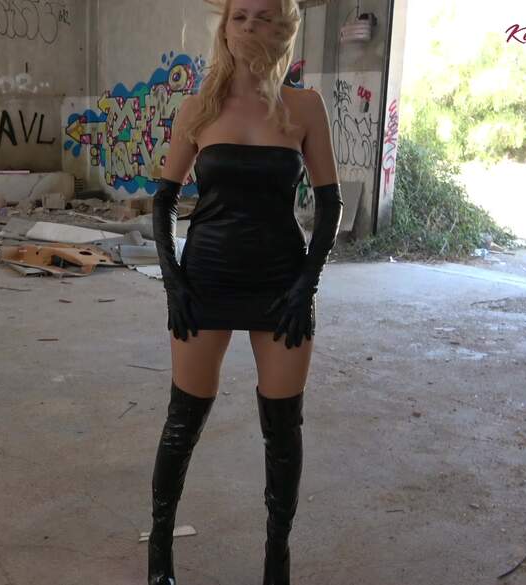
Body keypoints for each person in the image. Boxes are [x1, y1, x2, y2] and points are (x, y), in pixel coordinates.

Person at [147, 0, 343, 584]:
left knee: (283, 430)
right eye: (240, 16)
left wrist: (306, 284)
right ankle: (160, 557)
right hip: (206, 279)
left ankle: (276, 562)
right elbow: (164, 199)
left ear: (283, 29)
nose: (250, 25)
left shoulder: (305, 106)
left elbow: (330, 203)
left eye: (263, 16)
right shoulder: (198, 107)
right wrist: (173, 282)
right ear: (225, 27)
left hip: (281, 283)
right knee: (183, 421)